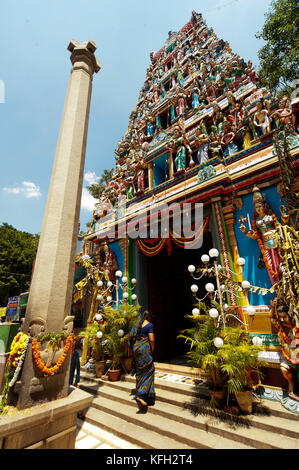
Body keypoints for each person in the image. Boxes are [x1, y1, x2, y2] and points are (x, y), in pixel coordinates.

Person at [129, 311, 155, 411]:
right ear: (149, 317)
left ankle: (148, 397)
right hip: (144, 350)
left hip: (136, 349)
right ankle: (141, 395)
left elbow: (130, 337)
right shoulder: (149, 325)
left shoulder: (136, 324)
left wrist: (132, 349)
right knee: (150, 370)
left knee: (140, 371)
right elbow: (152, 340)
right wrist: (151, 350)